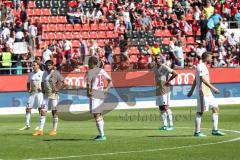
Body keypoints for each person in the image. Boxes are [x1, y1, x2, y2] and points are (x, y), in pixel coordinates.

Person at [187, 52, 225, 137]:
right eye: (210, 57)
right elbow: (202, 80)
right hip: (202, 93)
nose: (211, 59)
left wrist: (191, 90)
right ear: (206, 57)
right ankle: (197, 132)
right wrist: (214, 88)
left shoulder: (204, 67)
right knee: (200, 112)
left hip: (208, 93)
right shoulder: (200, 66)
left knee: (215, 108)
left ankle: (215, 130)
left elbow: (195, 80)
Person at [33, 60, 65, 136]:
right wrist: (43, 90)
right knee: (43, 111)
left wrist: (57, 89)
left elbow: (63, 82)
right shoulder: (44, 73)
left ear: (52, 65)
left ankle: (54, 129)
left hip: (54, 95)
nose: (48, 66)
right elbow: (42, 82)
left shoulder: (56, 73)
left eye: (49, 65)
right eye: (47, 65)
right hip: (46, 95)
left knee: (54, 112)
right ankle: (40, 130)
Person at [85, 56, 112, 140]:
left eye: (89, 62)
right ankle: (101, 134)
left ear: (93, 63)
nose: (88, 64)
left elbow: (88, 83)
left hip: (95, 93)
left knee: (96, 114)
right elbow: (110, 80)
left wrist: (88, 92)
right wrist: (106, 89)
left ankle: (102, 135)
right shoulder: (102, 70)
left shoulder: (90, 71)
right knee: (99, 113)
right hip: (101, 93)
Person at [152, 54, 178, 130]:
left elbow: (175, 73)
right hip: (158, 89)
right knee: (161, 107)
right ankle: (165, 125)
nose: (157, 59)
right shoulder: (154, 68)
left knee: (166, 107)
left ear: (161, 59)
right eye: (155, 58)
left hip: (165, 90)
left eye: (158, 58)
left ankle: (171, 125)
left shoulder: (164, 67)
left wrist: (168, 81)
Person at [19, 60, 44, 130]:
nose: (33, 66)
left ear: (38, 65)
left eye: (34, 65)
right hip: (32, 93)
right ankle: (27, 125)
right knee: (28, 108)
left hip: (40, 94)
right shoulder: (30, 74)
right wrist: (28, 89)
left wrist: (42, 88)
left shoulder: (42, 73)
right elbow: (28, 83)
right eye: (32, 65)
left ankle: (40, 125)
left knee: (40, 109)